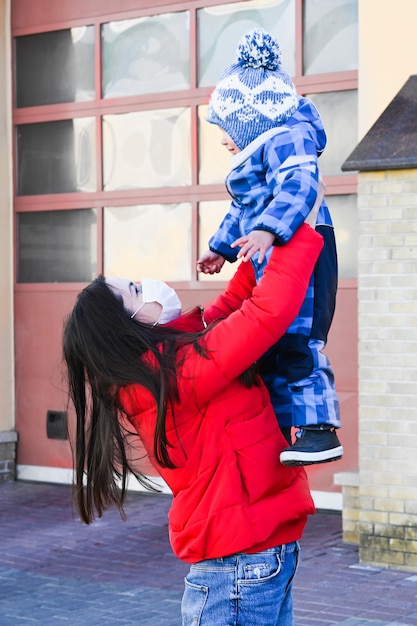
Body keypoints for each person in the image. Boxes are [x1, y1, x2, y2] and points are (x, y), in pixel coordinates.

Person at [63, 221, 323, 626]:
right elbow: (266, 312)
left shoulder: (179, 360)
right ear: (130, 326)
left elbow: (238, 302)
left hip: (256, 558)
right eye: (134, 290)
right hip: (238, 568)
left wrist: (262, 237)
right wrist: (295, 228)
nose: (148, 284)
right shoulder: (178, 373)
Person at [197, 28, 343, 467]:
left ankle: (320, 430)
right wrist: (220, 248)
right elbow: (242, 207)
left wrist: (269, 230)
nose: (224, 140)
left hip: (306, 249)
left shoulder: (288, 138)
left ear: (251, 122)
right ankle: (282, 429)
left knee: (300, 341)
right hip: (278, 251)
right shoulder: (257, 155)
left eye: (227, 131)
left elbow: (301, 185)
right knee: (273, 345)